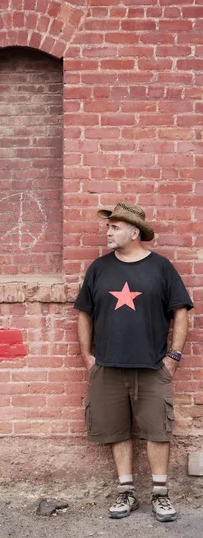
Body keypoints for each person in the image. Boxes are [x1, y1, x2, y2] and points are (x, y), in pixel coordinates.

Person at [74, 202, 193, 522]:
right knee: (116, 430)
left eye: (114, 227)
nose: (108, 232)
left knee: (158, 431)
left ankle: (160, 493)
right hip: (108, 367)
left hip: (153, 366)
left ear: (134, 231)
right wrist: (88, 358)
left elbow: (181, 312)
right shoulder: (98, 268)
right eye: (107, 227)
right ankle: (126, 490)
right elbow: (83, 313)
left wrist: (174, 358)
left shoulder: (161, 268)